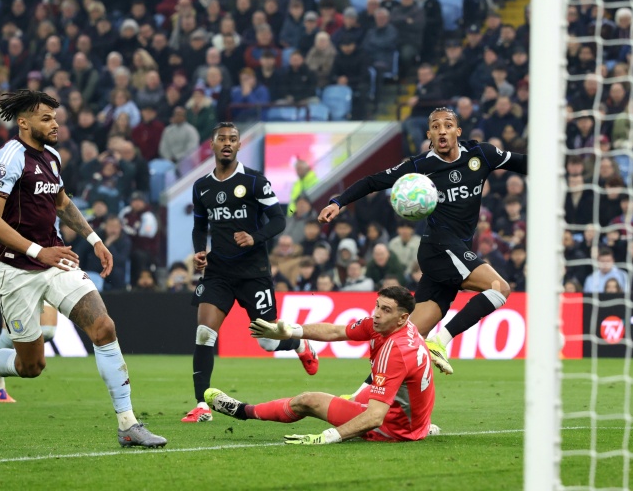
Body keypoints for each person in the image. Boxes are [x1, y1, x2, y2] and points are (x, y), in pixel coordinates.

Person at [0, 90, 166, 448]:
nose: (55, 124)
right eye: (46, 118)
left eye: (55, 118)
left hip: (55, 261)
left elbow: (62, 202)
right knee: (31, 367)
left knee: (103, 327)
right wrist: (40, 251)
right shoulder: (8, 158)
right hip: (14, 270)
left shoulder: (51, 156)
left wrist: (95, 238)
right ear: (23, 123)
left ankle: (128, 424)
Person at [318, 107, 528, 380]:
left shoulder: (481, 155)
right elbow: (373, 181)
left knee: (406, 341)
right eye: (436, 126)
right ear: (429, 134)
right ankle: (441, 342)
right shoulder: (420, 166)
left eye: (448, 125)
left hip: (456, 252)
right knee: (499, 288)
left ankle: (360, 399)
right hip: (438, 247)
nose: (442, 130)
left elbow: (524, 163)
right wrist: (338, 201)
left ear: (458, 132)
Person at [183, 122, 318, 423]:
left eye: (233, 139)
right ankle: (202, 405)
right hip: (218, 272)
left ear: (240, 145)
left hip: (253, 272)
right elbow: (199, 225)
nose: (227, 143)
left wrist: (254, 237)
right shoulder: (201, 186)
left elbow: (279, 220)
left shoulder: (255, 181)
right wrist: (199, 251)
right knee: (204, 333)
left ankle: (299, 343)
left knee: (267, 342)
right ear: (213, 145)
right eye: (222, 139)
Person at [205, 286, 437, 443]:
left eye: (385, 310)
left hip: (393, 427)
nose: (376, 314)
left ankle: (243, 411)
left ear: (402, 317)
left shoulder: (394, 350)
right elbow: (336, 331)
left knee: (308, 401)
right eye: (377, 305)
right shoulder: (395, 327)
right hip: (412, 415)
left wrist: (328, 436)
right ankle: (422, 427)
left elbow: (375, 417)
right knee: (355, 398)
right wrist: (290, 331)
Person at [0, 303, 58, 403]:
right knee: (7, 338)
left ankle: (20, 346)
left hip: (43, 286)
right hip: (15, 287)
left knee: (48, 332)